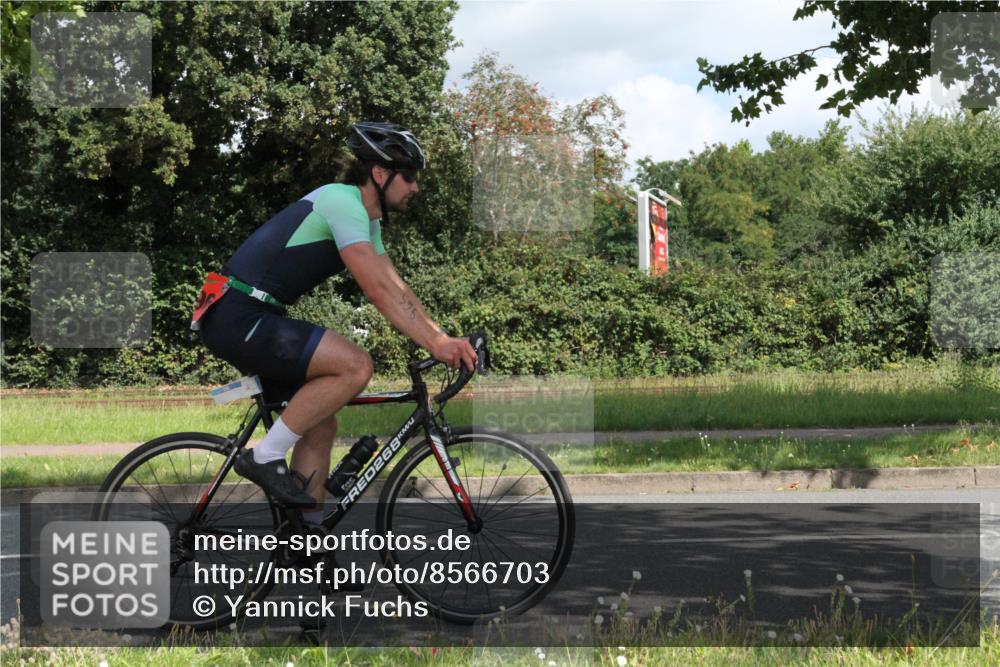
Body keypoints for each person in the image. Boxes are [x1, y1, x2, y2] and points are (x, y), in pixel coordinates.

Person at [195, 122, 478, 521]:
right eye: (410, 176)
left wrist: (442, 338)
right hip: (238, 313)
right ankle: (264, 456)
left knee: (321, 423)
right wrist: (436, 345)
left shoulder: (367, 220)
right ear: (380, 174)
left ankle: (307, 539)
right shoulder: (341, 201)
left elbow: (395, 285)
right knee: (356, 365)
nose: (415, 187)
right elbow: (377, 290)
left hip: (247, 314)